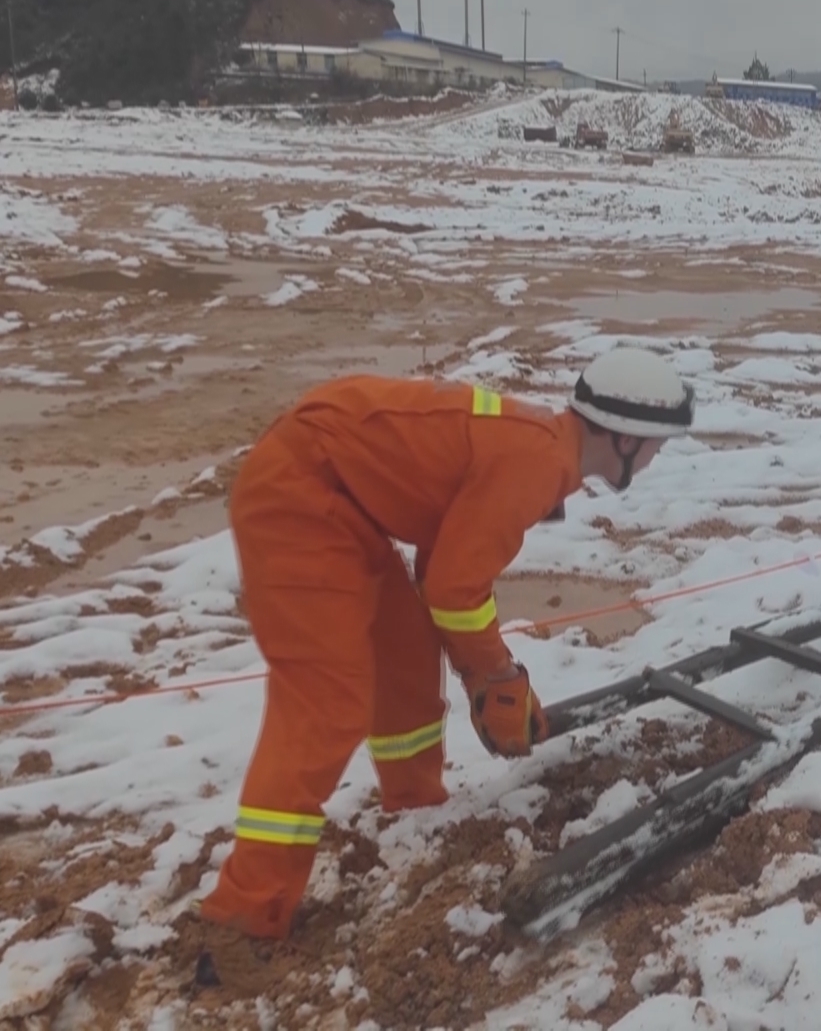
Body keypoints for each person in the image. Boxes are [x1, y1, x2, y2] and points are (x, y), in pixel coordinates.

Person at [194, 347, 693, 953]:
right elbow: (457, 589)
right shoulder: (537, 462)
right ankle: (247, 909)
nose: (658, 456)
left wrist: (481, 676)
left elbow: (442, 568)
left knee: (405, 659)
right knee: (325, 705)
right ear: (626, 439)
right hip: (299, 495)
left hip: (345, 500)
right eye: (658, 444)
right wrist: (498, 677)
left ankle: (414, 805)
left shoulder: (542, 447)